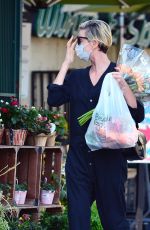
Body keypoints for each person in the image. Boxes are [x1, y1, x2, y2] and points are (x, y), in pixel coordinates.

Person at [47, 20, 144, 230]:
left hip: (109, 161)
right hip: (79, 161)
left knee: (114, 222)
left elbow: (137, 114)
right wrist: (66, 62)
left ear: (94, 42)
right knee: (78, 222)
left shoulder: (118, 73)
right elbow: (53, 98)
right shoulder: (77, 77)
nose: (76, 45)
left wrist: (124, 87)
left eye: (80, 40)